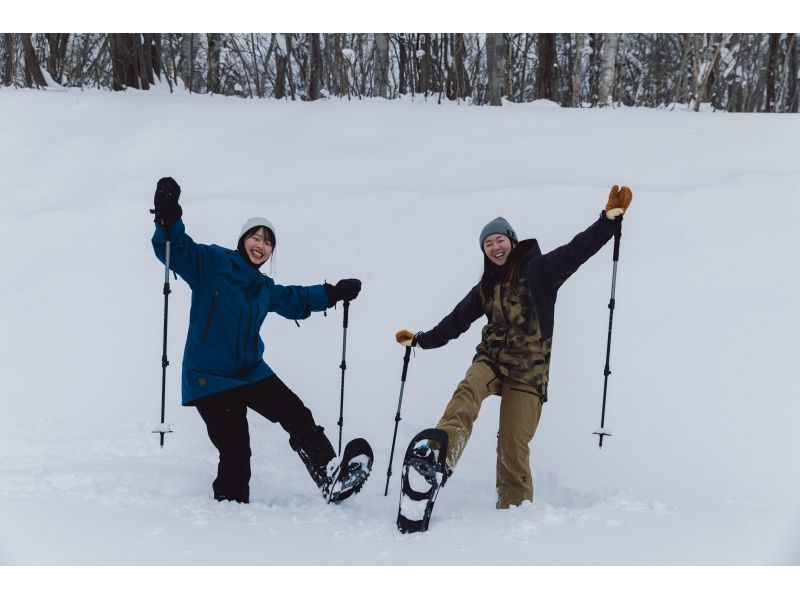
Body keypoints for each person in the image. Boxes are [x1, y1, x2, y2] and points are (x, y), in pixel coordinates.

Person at [395, 185, 633, 510]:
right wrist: (421, 339)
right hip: (490, 359)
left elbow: (576, 250)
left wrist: (606, 222)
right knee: (466, 393)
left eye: (499, 240)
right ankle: (439, 456)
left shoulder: (540, 271)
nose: (494, 247)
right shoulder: (486, 286)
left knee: (512, 443)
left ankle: (514, 508)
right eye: (488, 244)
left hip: (529, 369)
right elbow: (455, 322)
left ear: (512, 241)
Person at [151, 177, 363, 504]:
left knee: (297, 413)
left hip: (250, 371)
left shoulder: (264, 289)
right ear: (242, 240)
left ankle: (330, 474)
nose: (260, 245)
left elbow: (295, 299)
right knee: (236, 449)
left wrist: (333, 293)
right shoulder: (213, 263)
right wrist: (168, 216)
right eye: (255, 236)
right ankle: (230, 511)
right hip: (211, 376)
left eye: (267, 242)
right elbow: (177, 251)